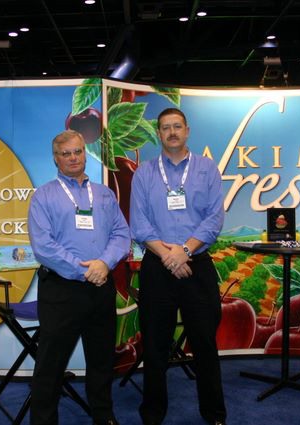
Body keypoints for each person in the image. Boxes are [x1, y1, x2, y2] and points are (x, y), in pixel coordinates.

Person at [129, 108, 227, 425]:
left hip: (196, 265)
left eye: (177, 126)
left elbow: (214, 219)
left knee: (205, 343)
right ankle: (153, 412)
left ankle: (214, 413)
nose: (171, 132)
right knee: (155, 345)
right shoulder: (144, 173)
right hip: (157, 267)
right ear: (158, 133)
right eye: (165, 127)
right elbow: (139, 223)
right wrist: (169, 257)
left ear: (187, 131)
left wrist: (184, 251)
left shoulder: (207, 169)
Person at [28, 129, 131, 425]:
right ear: (55, 159)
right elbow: (44, 246)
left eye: (78, 151)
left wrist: (104, 263)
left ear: (85, 153)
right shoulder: (43, 196)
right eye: (66, 154)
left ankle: (103, 415)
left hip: (101, 287)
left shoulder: (104, 194)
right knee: (51, 365)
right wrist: (85, 270)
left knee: (101, 359)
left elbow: (121, 233)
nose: (73, 158)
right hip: (62, 290)